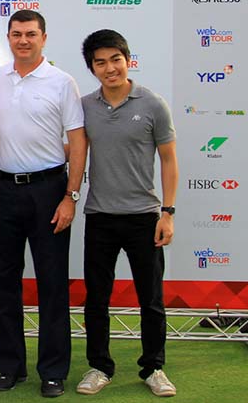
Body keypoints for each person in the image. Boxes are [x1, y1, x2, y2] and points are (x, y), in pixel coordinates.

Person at [0, 10, 87, 398]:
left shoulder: (62, 82)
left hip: (49, 192)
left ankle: (53, 371)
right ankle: (10, 368)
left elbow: (78, 142)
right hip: (1, 190)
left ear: (44, 38)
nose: (22, 40)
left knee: (53, 284)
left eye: (30, 34)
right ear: (8, 38)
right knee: (4, 281)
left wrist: (70, 196)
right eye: (16, 34)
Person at [76, 29, 178, 398]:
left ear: (127, 60)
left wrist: (167, 213)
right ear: (92, 68)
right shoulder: (85, 105)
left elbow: (168, 161)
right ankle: (99, 366)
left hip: (144, 218)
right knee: (96, 299)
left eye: (115, 59)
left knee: (150, 298)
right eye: (100, 62)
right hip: (100, 216)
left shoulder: (152, 104)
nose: (109, 68)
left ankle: (153, 367)